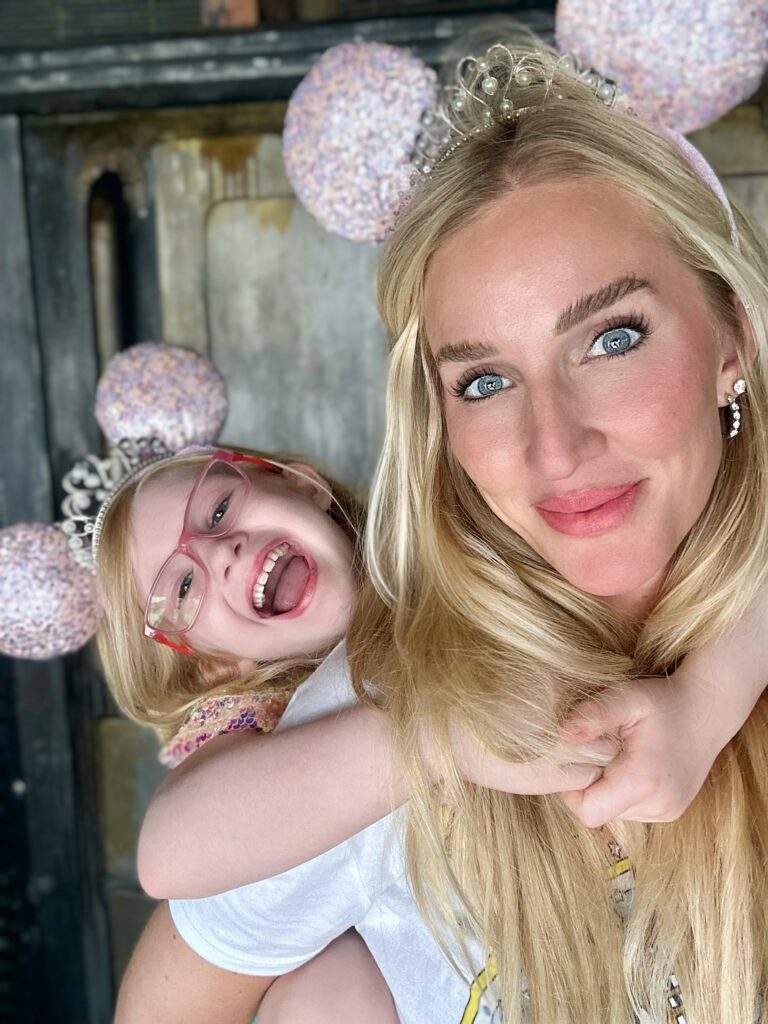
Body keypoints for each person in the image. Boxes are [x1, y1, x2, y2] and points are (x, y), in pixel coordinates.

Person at [119, 34, 768, 1024]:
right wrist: (451, 728)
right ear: (439, 421)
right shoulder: (391, 696)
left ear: (734, 336)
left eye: (612, 338)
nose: (555, 445)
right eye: (485, 379)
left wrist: (716, 686)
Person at [97, 442, 612, 1023]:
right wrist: (442, 735)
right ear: (216, 665)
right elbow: (169, 855)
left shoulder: (465, 541)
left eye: (217, 511)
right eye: (184, 589)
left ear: (303, 482)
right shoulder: (275, 734)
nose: (221, 553)